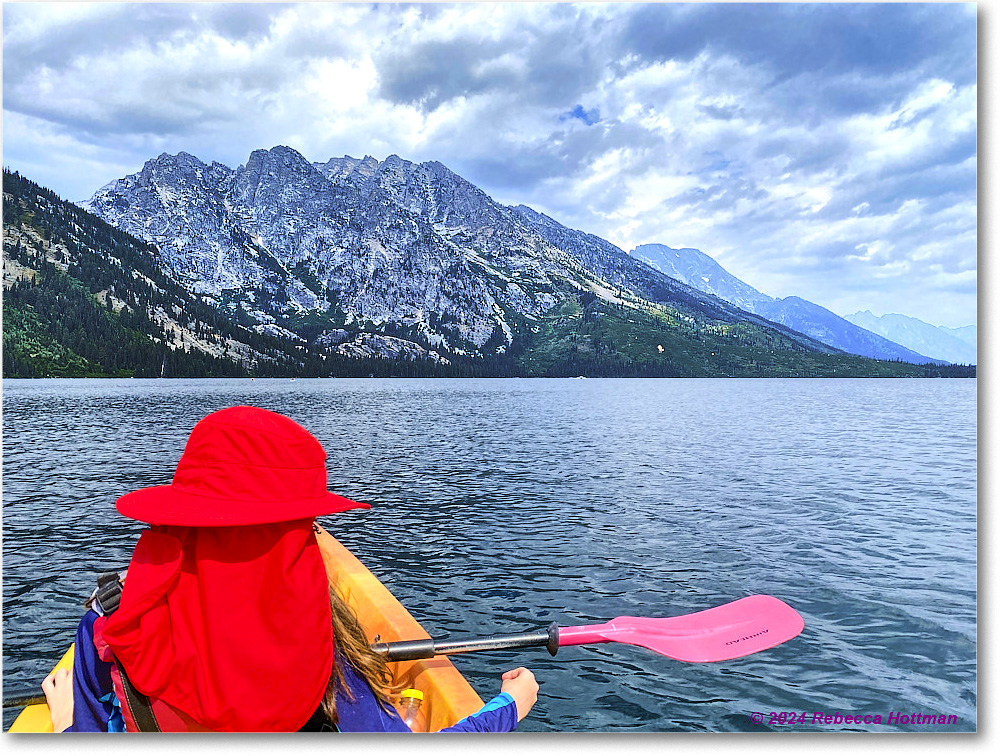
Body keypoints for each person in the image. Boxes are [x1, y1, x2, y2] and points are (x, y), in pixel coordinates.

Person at [42, 406, 538, 732]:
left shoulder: (109, 623)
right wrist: (509, 706)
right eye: (306, 526)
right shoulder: (319, 656)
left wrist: (66, 725)